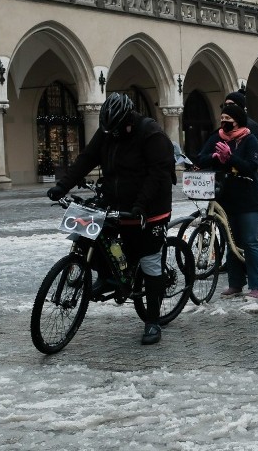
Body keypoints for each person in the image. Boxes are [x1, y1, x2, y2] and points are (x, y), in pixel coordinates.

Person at [46, 93, 174, 345]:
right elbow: (86, 159)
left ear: (128, 119)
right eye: (109, 130)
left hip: (150, 206)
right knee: (96, 239)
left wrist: (140, 205)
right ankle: (108, 277)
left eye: (117, 129)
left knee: (148, 259)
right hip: (115, 200)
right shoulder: (108, 131)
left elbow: (158, 175)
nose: (112, 134)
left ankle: (152, 321)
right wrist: (62, 186)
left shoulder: (150, 133)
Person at [196, 104, 258, 299]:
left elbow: (250, 166)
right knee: (231, 241)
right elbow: (200, 159)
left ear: (238, 121)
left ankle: (257, 286)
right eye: (222, 118)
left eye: (229, 118)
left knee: (250, 242)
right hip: (226, 198)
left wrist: (231, 157)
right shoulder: (217, 137)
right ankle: (236, 283)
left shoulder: (249, 139)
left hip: (248, 200)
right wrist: (215, 156)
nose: (224, 122)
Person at [222, 90, 258, 164]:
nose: (227, 107)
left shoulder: (253, 127)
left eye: (231, 104)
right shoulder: (222, 129)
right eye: (225, 105)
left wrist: (235, 157)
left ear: (240, 106)